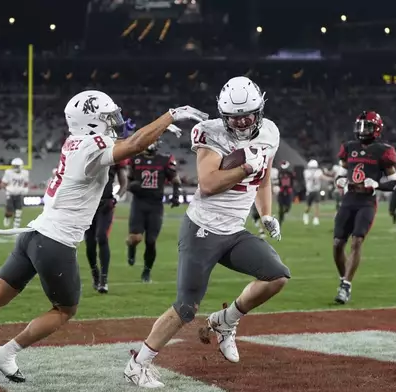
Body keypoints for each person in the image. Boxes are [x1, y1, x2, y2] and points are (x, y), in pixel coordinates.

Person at [0, 90, 207, 384]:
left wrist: (155, 128)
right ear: (92, 120)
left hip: (34, 235)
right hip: (55, 241)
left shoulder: (75, 141)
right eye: (109, 116)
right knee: (65, 310)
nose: (115, 121)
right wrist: (170, 116)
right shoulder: (90, 146)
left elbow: (131, 140)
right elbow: (135, 144)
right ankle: (7, 352)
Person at [124, 77, 289, 388]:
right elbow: (209, 184)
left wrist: (266, 214)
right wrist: (245, 167)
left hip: (233, 231)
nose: (241, 123)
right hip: (202, 229)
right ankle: (138, 364)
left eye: (247, 116)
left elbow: (264, 177)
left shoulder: (270, 131)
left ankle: (225, 321)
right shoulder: (210, 132)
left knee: (277, 276)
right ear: (222, 115)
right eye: (234, 117)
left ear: (260, 111)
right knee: (186, 307)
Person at [332, 111, 396, 305]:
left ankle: (345, 286)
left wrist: (376, 184)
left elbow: (394, 181)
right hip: (348, 199)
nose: (362, 131)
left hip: (366, 202)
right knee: (337, 244)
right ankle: (344, 279)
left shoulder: (383, 150)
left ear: (377, 129)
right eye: (360, 126)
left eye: (367, 127)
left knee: (357, 241)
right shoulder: (349, 147)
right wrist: (342, 181)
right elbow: (340, 174)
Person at [125, 140, 181, 282]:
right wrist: (132, 186)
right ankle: (131, 248)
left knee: (151, 241)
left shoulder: (164, 160)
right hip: (139, 203)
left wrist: (175, 197)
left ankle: (146, 272)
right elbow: (128, 180)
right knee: (135, 238)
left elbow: (175, 180)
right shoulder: (135, 159)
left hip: (155, 205)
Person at [85, 159, 128, 293]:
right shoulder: (88, 155)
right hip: (89, 204)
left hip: (105, 204)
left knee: (102, 237)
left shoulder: (114, 157)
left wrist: (116, 198)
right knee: (90, 243)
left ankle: (104, 279)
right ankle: (95, 274)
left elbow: (124, 183)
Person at [0, 158, 30, 229]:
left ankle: (16, 227)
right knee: (9, 210)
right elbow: (3, 183)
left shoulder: (25, 173)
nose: (14, 167)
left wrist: (25, 188)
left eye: (16, 166)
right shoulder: (8, 172)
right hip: (10, 193)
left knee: (18, 211)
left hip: (19, 193)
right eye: (14, 166)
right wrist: (6, 188)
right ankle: (7, 217)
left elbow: (26, 183)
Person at [302, 159, 328, 226]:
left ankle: (316, 219)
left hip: (316, 190)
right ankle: (305, 215)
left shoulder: (317, 171)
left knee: (317, 205)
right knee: (308, 206)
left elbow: (321, 177)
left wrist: (329, 179)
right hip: (309, 191)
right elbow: (320, 177)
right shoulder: (307, 172)